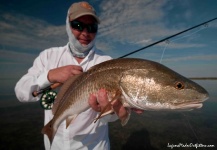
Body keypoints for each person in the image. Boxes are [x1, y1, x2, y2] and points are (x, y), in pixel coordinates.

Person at [15, 1, 142, 150]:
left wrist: (113, 113)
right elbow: (21, 92)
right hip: (55, 145)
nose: (85, 33)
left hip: (95, 146)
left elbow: (109, 117)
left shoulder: (107, 62)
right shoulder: (48, 56)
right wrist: (49, 76)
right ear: (67, 25)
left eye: (92, 27)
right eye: (78, 25)